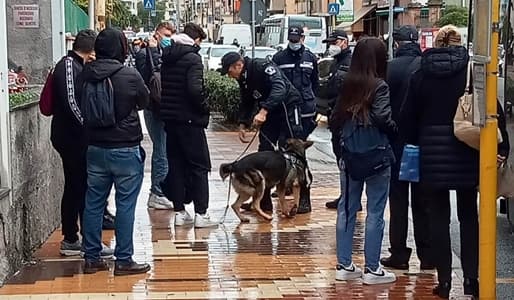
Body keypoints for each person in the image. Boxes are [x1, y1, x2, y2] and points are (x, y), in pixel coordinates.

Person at [400, 25, 510, 298]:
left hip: (432, 156)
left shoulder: (421, 74)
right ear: (460, 44)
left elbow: (406, 120)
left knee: (438, 218)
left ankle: (445, 281)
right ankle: (472, 279)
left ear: (435, 44)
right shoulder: (474, 73)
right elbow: (494, 114)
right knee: (468, 216)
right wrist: (502, 147)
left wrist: (419, 141)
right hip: (467, 153)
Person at [80, 28, 150, 275]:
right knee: (126, 205)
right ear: (122, 48)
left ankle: (91, 257)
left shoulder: (85, 74)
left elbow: (79, 102)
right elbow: (144, 101)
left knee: (93, 203)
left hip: (95, 148)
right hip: (125, 149)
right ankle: (123, 260)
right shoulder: (129, 75)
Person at [330, 37, 397, 285]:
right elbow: (382, 117)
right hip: (376, 155)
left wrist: (341, 153)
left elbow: (335, 119)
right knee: (375, 212)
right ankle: (372, 269)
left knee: (347, 209)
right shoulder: (380, 86)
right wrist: (393, 130)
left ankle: (344, 265)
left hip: (350, 156)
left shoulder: (346, 83)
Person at [50, 29, 113, 257]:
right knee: (81, 187)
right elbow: (71, 102)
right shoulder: (68, 65)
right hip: (71, 138)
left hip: (77, 137)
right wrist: (88, 126)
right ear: (90, 49)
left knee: (78, 187)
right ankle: (81, 240)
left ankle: (74, 238)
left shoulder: (79, 65)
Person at [220, 51, 303, 212]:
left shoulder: (262, 67)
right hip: (270, 110)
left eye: (230, 72)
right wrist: (243, 123)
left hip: (287, 106)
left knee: (293, 152)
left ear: (239, 65)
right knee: (265, 151)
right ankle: (263, 202)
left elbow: (280, 88)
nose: (230, 76)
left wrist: (263, 111)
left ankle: (302, 200)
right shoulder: (243, 78)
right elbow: (247, 100)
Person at [380, 25, 433, 271]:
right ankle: (427, 255)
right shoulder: (426, 68)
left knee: (398, 201)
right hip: (422, 143)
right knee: (423, 201)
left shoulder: (389, 69)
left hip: (395, 143)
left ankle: (399, 254)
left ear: (397, 44)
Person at [159, 23, 217, 228]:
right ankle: (201, 214)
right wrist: (204, 107)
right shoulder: (193, 58)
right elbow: (195, 90)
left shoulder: (167, 55)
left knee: (176, 166)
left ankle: (179, 213)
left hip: (171, 120)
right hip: (191, 122)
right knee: (200, 167)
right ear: (195, 40)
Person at [272, 25, 318, 213]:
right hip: (286, 111)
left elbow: (315, 83)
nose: (294, 42)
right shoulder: (279, 58)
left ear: (302, 38)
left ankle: (304, 197)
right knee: (284, 152)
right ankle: (285, 185)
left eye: (296, 39)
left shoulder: (310, 58)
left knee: (301, 156)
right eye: (291, 39)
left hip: (306, 111)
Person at [135, 22, 176, 210]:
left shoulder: (164, 51)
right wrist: (153, 52)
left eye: (171, 35)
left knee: (165, 149)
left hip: (165, 108)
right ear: (157, 34)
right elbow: (151, 76)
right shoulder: (145, 54)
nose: (169, 38)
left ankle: (161, 190)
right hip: (154, 108)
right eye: (166, 34)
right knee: (161, 149)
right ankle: (157, 192)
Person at [321, 29, 352, 210]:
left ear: (344, 42)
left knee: (345, 161)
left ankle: (349, 197)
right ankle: (346, 195)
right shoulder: (336, 63)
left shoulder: (348, 63)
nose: (331, 46)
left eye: (334, 43)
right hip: (335, 117)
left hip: (343, 119)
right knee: (341, 161)